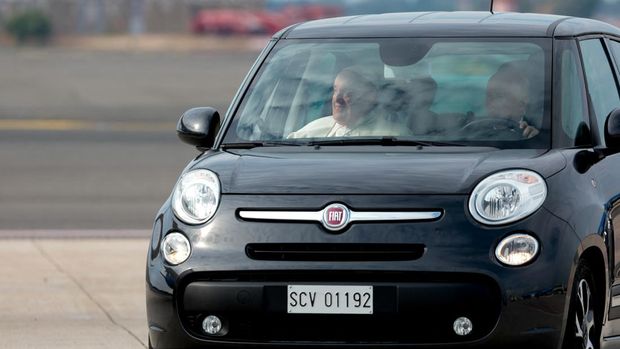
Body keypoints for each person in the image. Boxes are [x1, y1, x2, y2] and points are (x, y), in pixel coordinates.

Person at [288, 67, 406, 138]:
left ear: (371, 96)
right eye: (335, 90)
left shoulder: (394, 136)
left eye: (348, 93)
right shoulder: (308, 134)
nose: (337, 99)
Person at [485, 64, 540, 139]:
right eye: (488, 96)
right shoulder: (475, 130)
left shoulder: (536, 133)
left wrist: (535, 139)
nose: (489, 102)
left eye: (499, 96)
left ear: (522, 105)